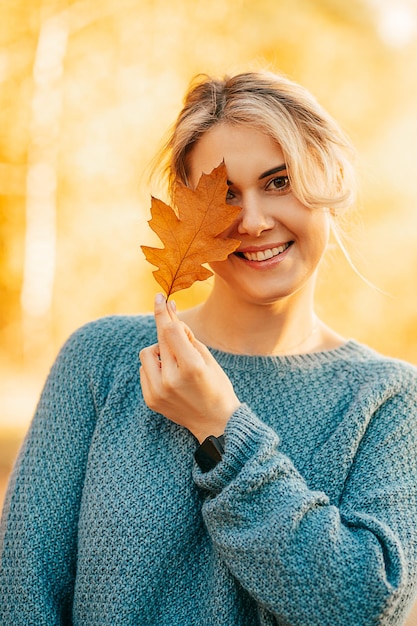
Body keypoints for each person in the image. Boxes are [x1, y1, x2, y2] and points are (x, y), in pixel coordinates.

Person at [1, 71, 416, 626]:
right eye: (224, 195)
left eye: (279, 181)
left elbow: (365, 608)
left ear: (331, 180)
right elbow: (24, 591)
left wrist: (219, 427)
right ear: (185, 210)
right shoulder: (101, 360)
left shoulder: (387, 398)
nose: (253, 221)